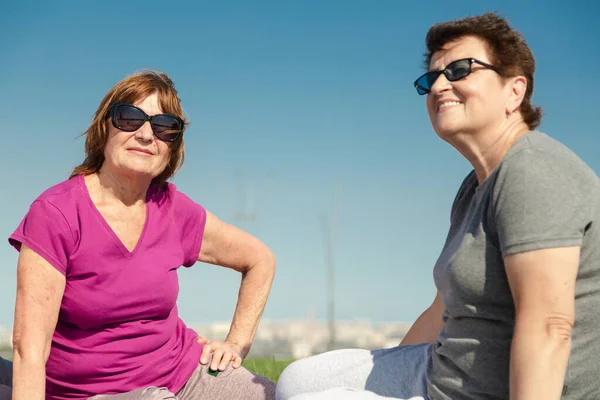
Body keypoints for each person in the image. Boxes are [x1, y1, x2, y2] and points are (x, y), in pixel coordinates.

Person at [275, 12, 600, 400]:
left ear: (515, 90)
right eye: (432, 77)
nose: (440, 85)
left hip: (486, 391)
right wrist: (385, 379)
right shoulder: (475, 184)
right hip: (439, 369)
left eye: (461, 69)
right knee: (295, 379)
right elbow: (441, 310)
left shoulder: (533, 170)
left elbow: (550, 326)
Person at [1, 70, 277, 400]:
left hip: (184, 373)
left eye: (164, 127)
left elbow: (260, 259)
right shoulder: (56, 213)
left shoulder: (174, 208)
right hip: (89, 393)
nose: (147, 134)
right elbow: (29, 349)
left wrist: (235, 344)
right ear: (104, 128)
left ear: (173, 146)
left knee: (277, 395)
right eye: (130, 118)